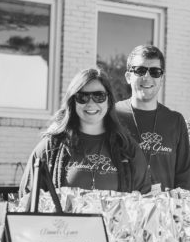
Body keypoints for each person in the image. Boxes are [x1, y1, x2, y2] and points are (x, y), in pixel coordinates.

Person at [20, 68, 151, 197]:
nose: (91, 103)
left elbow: (144, 200)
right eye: (82, 97)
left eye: (99, 96)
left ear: (109, 100)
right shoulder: (51, 147)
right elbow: (27, 199)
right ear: (73, 101)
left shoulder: (127, 148)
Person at [113, 44, 190, 190]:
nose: (147, 77)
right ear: (128, 77)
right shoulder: (112, 116)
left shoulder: (175, 121)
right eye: (140, 70)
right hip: (121, 204)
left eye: (155, 72)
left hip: (165, 204)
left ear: (161, 78)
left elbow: (184, 179)